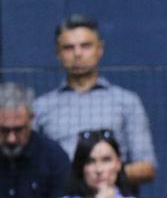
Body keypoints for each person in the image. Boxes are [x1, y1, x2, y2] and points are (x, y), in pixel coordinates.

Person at [34, 15, 157, 187]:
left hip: (114, 197)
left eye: (85, 46)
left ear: (100, 49)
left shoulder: (126, 102)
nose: (77, 54)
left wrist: (102, 174)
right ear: (58, 53)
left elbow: (146, 167)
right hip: (61, 196)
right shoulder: (40, 107)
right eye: (69, 48)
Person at [0, 83, 70, 198]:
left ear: (31, 120)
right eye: (3, 130)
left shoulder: (54, 157)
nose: (11, 139)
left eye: (18, 130)